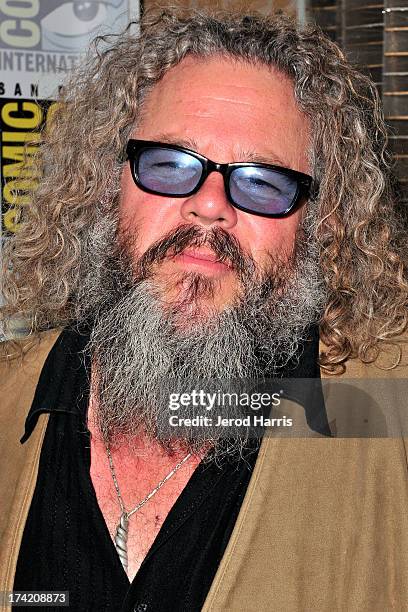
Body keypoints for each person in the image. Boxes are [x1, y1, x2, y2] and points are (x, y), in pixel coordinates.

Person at [1, 8, 408, 612]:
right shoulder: (9, 400)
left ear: (321, 224)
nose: (209, 205)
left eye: (263, 181)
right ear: (103, 185)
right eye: (169, 164)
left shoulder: (385, 414)